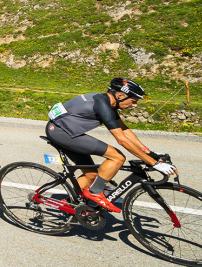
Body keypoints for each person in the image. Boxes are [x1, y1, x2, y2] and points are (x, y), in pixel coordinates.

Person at [45, 77, 177, 213]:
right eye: (133, 101)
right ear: (120, 95)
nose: (135, 105)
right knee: (117, 157)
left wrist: (148, 152)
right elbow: (122, 140)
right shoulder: (103, 106)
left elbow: (125, 130)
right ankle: (96, 192)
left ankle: (68, 203)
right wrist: (154, 164)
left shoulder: (108, 102)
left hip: (66, 131)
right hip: (62, 132)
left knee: (91, 176)